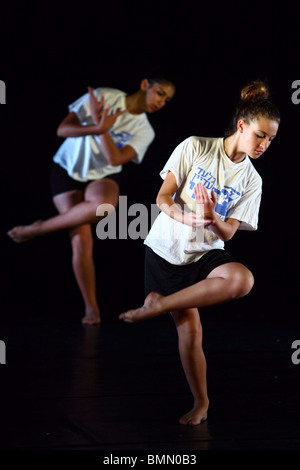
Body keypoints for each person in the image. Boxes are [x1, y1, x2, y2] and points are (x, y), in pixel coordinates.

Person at [119, 80, 280, 426]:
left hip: (205, 254)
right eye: (260, 136)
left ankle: (159, 307)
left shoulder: (252, 180)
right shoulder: (195, 147)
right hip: (166, 249)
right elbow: (163, 198)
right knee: (190, 332)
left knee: (243, 279)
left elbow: (229, 232)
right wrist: (183, 214)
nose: (265, 144)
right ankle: (201, 403)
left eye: (271, 139)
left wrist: (211, 217)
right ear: (242, 126)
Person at [7, 74, 176, 324]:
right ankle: (91, 309)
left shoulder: (144, 130)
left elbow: (114, 160)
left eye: (167, 100)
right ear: (144, 85)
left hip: (103, 175)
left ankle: (39, 228)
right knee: (81, 241)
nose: (161, 102)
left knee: (104, 206)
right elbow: (62, 129)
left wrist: (102, 127)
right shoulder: (105, 96)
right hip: (67, 170)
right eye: (160, 93)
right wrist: (97, 126)